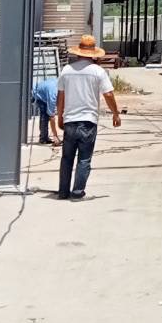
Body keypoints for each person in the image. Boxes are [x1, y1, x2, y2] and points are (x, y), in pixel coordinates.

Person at [54, 33, 120, 199]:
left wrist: (60, 117)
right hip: (88, 122)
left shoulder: (66, 70)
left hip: (70, 121)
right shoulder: (98, 72)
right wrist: (116, 114)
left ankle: (63, 191)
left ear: (78, 52)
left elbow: (60, 96)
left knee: (67, 158)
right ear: (93, 54)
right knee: (84, 159)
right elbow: (109, 94)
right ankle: (77, 192)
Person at [31, 76, 59, 146]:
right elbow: (52, 116)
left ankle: (44, 137)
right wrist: (55, 135)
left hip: (44, 90)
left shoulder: (61, 85)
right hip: (38, 94)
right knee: (45, 116)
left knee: (47, 114)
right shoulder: (53, 94)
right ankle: (43, 138)